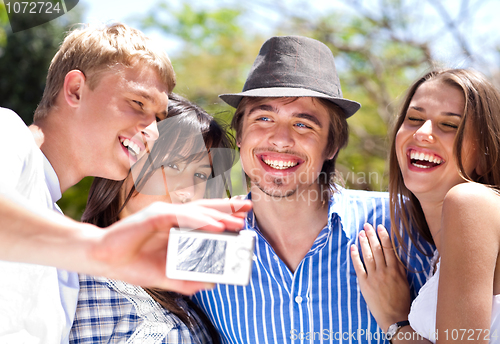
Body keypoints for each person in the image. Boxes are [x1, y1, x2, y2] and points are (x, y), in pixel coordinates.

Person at [0, 23, 250, 343]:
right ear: (76, 90)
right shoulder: (9, 134)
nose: (152, 131)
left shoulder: (62, 255)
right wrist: (101, 249)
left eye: (158, 118)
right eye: (138, 103)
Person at [192, 35, 435, 343]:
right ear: (240, 136)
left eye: (303, 124)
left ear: (332, 144)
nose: (280, 139)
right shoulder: (204, 239)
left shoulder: (402, 222)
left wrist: (398, 324)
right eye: (263, 118)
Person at [69, 93, 238, 343]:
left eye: (201, 176)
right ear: (121, 166)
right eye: (173, 166)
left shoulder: (201, 279)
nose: (188, 192)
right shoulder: (69, 279)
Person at [350, 68, 500, 343]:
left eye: (450, 125)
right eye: (414, 118)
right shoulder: (438, 253)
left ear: (484, 154)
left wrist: (395, 322)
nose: (422, 133)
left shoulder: (471, 202)